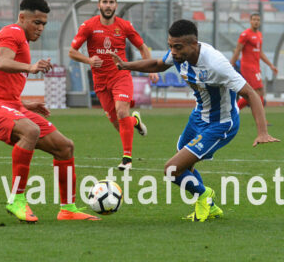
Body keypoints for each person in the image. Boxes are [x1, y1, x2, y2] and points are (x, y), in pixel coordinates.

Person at [108, 19, 280, 221]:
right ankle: (210, 206)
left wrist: (262, 132)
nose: (173, 52)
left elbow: (250, 93)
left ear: (194, 44)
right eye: (170, 46)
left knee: (172, 169)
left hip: (221, 124)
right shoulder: (179, 55)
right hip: (198, 116)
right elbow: (157, 64)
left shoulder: (216, 64)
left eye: (177, 47)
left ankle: (204, 195)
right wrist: (125, 65)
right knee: (184, 166)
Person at [0, 0, 99, 223]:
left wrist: (24, 105)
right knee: (30, 131)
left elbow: (0, 80)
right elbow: (1, 62)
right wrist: (30, 67)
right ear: (22, 17)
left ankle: (68, 209)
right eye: (36, 22)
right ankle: (17, 199)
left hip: (9, 105)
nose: (41, 28)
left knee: (65, 147)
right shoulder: (12, 32)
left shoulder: (21, 39)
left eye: (44, 24)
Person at [69, 0, 158, 170]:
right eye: (105, 2)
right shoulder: (88, 26)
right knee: (120, 125)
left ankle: (127, 159)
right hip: (100, 81)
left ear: (116, 6)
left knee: (121, 110)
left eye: (111, 2)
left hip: (121, 76)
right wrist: (89, 60)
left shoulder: (124, 26)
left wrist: (151, 69)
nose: (108, 5)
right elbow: (72, 51)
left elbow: (142, 47)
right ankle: (135, 122)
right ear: (99, 5)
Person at [230, 13, 278, 112]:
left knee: (257, 92)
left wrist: (271, 65)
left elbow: (260, 53)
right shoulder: (245, 34)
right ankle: (260, 118)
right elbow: (238, 50)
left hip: (256, 67)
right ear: (250, 21)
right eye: (254, 20)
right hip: (247, 67)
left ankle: (234, 112)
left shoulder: (259, 35)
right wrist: (231, 64)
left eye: (258, 20)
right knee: (257, 91)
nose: (256, 22)